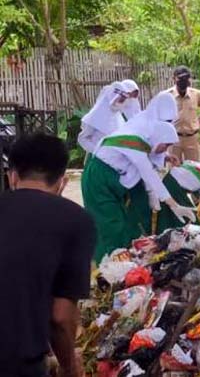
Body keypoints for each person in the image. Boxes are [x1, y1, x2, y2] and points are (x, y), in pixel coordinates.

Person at [0, 133, 95, 376]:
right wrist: (69, 366)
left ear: (12, 177)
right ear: (62, 182)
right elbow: (61, 317)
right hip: (17, 363)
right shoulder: (75, 220)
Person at [82, 92, 196, 262]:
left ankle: (124, 264)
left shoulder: (148, 136)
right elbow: (147, 172)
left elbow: (148, 159)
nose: (165, 149)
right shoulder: (135, 139)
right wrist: (173, 204)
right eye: (165, 145)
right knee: (110, 226)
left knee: (125, 225)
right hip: (99, 178)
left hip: (114, 177)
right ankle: (108, 271)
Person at [168, 66, 200, 162]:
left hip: (192, 138)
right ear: (174, 79)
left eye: (186, 78)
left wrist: (199, 124)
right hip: (174, 139)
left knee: (193, 169)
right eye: (180, 78)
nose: (183, 80)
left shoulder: (196, 94)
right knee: (174, 171)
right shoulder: (168, 95)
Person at [78, 81, 129, 154]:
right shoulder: (95, 116)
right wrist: (98, 152)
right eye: (120, 99)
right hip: (98, 160)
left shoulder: (119, 118)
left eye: (122, 100)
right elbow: (82, 139)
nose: (121, 103)